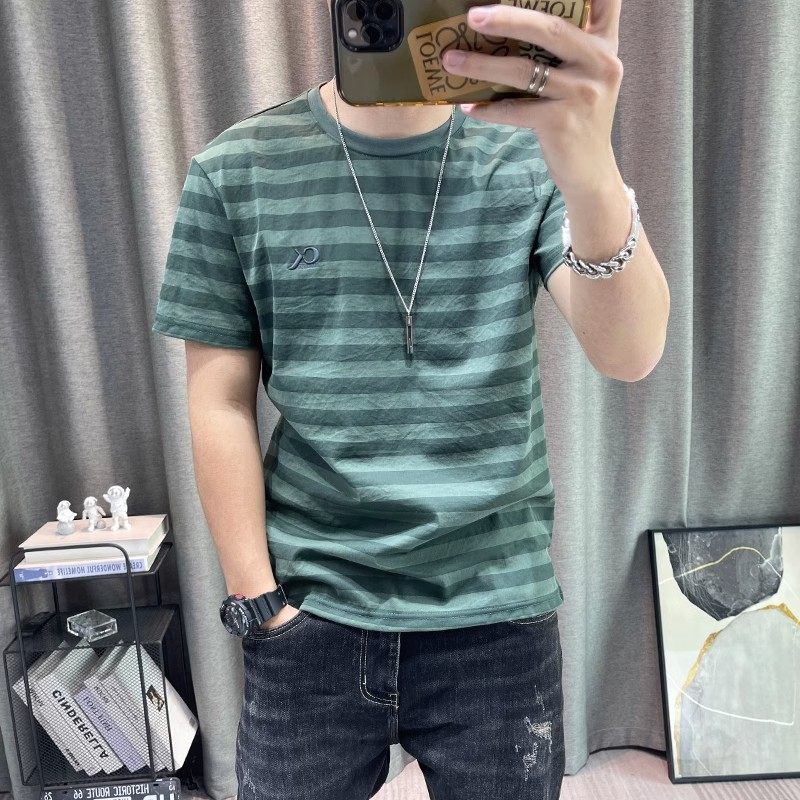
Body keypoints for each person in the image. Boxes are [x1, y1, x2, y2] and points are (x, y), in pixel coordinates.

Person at [151, 2, 669, 798]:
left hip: (496, 611)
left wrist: (590, 162)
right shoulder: (236, 170)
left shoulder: (532, 156)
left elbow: (629, 352)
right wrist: (258, 599)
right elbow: (218, 401)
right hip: (311, 608)